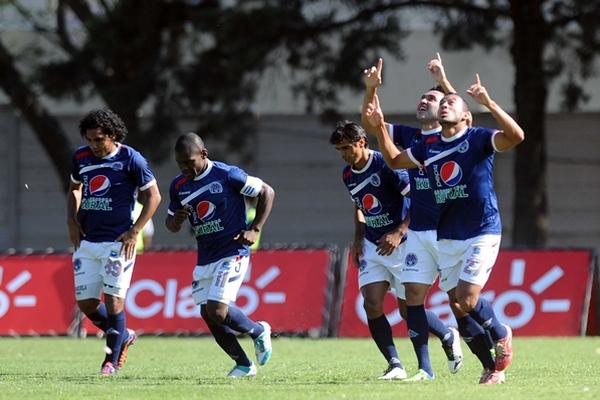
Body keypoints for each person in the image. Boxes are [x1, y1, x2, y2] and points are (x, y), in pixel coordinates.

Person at [364, 72, 523, 384]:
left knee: (465, 300)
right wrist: (381, 125)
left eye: (451, 101)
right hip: (447, 234)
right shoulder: (428, 144)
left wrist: (488, 102)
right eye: (444, 101)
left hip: (481, 229)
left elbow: (516, 136)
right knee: (457, 305)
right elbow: (395, 161)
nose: (445, 104)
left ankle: (502, 332)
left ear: (465, 115)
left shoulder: (477, 139)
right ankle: (490, 369)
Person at [330, 121, 460, 381]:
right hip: (372, 244)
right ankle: (395, 364)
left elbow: (417, 200)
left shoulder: (385, 165)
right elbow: (360, 207)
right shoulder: (347, 174)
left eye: (347, 148)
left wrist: (399, 232)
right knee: (372, 304)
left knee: (406, 310)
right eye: (339, 150)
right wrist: (357, 240)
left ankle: (447, 334)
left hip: (401, 244)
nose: (344, 154)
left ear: (362, 143)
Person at [360, 55, 463, 381]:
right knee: (390, 304)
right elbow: (371, 123)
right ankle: (408, 366)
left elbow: (463, 112)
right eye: (422, 97)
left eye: (431, 99)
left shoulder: (455, 136)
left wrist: (444, 81)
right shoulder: (411, 136)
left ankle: (465, 337)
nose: (423, 101)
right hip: (407, 230)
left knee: (451, 305)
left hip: (443, 230)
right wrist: (371, 90)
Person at [165, 132, 275, 378]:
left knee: (217, 311)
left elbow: (267, 192)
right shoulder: (179, 186)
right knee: (208, 315)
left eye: (189, 162)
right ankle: (244, 365)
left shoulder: (227, 174)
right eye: (180, 163)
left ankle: (258, 331)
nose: (184, 168)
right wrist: (176, 220)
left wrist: (255, 228)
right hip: (205, 256)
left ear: (203, 155)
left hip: (232, 251)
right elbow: (170, 224)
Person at [67, 109, 161, 376]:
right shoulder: (81, 157)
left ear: (112, 135)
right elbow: (74, 189)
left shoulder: (132, 159)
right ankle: (124, 335)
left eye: (98, 139)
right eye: (89, 140)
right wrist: (71, 220)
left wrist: (135, 230)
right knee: (85, 303)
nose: (93, 145)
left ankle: (110, 361)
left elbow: (153, 196)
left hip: (118, 242)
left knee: (114, 302)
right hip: (87, 240)